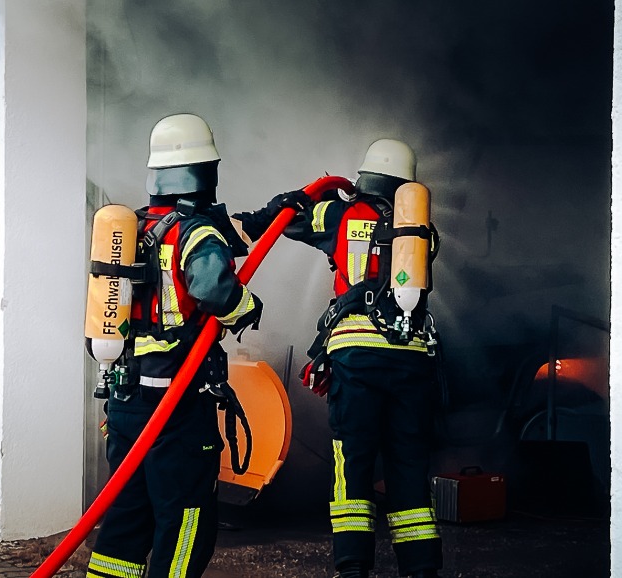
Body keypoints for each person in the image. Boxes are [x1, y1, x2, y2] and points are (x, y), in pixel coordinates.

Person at [232, 139, 443, 578]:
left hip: (357, 359)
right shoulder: (421, 231)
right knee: (408, 463)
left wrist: (300, 198)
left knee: (354, 463)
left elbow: (291, 221)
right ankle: (421, 569)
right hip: (412, 361)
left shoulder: (343, 213)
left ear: (364, 177)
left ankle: (352, 568)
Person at [86, 113, 263, 578]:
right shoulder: (195, 232)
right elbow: (214, 288)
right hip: (177, 409)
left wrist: (269, 218)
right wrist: (248, 309)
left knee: (125, 522)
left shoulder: (138, 230)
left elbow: (229, 235)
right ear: (205, 171)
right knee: (186, 526)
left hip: (126, 405)